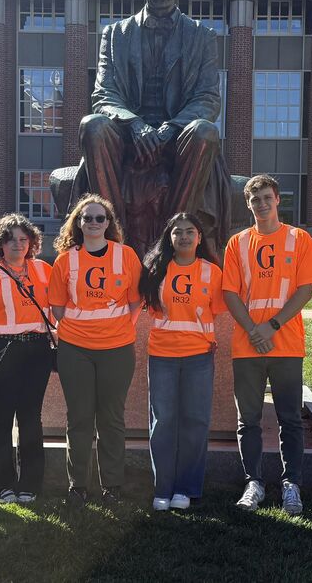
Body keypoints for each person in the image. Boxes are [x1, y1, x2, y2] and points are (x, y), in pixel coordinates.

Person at [71, 0, 233, 251]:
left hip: (177, 139)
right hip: (129, 138)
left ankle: (169, 243)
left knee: (205, 132)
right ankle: (115, 239)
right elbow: (104, 94)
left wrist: (169, 128)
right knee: (92, 125)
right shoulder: (116, 35)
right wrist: (134, 124)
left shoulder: (202, 36)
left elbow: (208, 100)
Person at [222, 175, 312, 515]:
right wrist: (253, 330)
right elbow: (230, 293)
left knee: (290, 418)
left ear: (278, 199)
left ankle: (291, 483)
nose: (261, 204)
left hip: (286, 344)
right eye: (255, 199)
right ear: (248, 204)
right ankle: (255, 483)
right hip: (247, 345)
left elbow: (305, 290)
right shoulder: (238, 243)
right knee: (247, 419)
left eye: (267, 197)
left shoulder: (299, 239)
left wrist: (271, 326)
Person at [48, 195, 143, 506]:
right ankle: (78, 486)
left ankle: (112, 486)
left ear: (108, 223)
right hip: (75, 348)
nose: (93, 223)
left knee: (111, 418)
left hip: (116, 348)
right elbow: (58, 308)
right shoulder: (65, 260)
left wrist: (115, 327)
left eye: (99, 218)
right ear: (77, 222)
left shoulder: (126, 256)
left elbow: (135, 302)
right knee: (79, 417)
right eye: (86, 218)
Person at [138, 212, 225, 511]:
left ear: (200, 237)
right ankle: (163, 487)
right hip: (162, 355)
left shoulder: (213, 273)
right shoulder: (156, 270)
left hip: (199, 356)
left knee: (195, 421)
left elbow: (215, 311)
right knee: (162, 422)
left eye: (190, 231)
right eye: (178, 232)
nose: (184, 237)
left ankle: (186, 488)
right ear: (170, 238)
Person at [0, 214, 55, 504]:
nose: (17, 244)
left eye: (22, 239)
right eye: (10, 239)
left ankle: (30, 483)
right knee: (1, 420)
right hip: (2, 352)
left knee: (31, 417)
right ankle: (2, 485)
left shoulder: (44, 270)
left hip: (37, 351)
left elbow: (57, 312)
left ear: (31, 243)